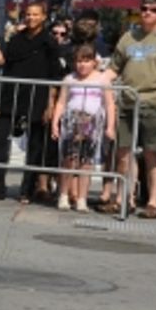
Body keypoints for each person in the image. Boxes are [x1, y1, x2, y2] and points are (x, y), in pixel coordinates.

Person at [103, 0, 156, 218]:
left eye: (153, 9)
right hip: (127, 101)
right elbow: (114, 68)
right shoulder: (129, 36)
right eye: (144, 8)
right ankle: (124, 198)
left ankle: (153, 202)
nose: (147, 13)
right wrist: (97, 80)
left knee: (152, 153)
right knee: (123, 153)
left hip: (155, 101)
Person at [0, 1, 64, 203]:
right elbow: (6, 67)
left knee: (35, 145)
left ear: (43, 17)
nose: (31, 18)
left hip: (37, 98)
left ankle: (26, 189)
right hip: (11, 95)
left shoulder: (49, 42)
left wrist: (50, 103)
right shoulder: (15, 39)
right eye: (28, 14)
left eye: (35, 14)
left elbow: (55, 75)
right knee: (1, 141)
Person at [51, 44, 115, 212]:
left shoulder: (102, 79)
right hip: (71, 122)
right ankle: (64, 195)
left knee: (86, 163)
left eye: (86, 61)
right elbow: (61, 102)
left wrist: (110, 126)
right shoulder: (69, 79)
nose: (82, 65)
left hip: (92, 125)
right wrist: (55, 123)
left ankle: (82, 198)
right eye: (79, 61)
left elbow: (109, 104)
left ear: (94, 62)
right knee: (69, 159)